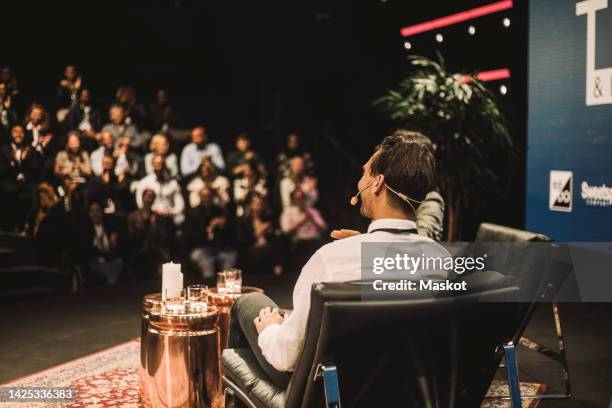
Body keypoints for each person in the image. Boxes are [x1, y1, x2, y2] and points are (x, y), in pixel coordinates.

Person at [227, 130, 451, 387]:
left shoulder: (330, 260)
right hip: (404, 388)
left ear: (377, 183)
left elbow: (286, 357)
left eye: (364, 172)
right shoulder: (441, 260)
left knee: (248, 303)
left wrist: (270, 328)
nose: (359, 182)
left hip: (331, 392)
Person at [183, 186, 237, 278]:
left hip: (220, 248)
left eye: (209, 196)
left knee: (231, 256)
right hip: (200, 248)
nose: (206, 199)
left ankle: (227, 285)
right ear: (200, 197)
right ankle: (209, 286)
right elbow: (189, 237)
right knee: (205, 261)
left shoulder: (220, 211)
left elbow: (231, 235)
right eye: (204, 196)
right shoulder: (192, 213)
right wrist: (209, 228)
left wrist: (223, 227)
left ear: (213, 197)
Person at [0, 124, 43, 232]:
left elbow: (36, 170)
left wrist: (25, 160)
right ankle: (10, 226)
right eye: (16, 131)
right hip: (9, 180)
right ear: (11, 134)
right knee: (10, 190)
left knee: (35, 190)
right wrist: (14, 162)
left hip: (27, 181)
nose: (19, 134)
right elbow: (2, 171)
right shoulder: (3, 149)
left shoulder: (29, 149)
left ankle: (30, 226)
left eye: (21, 132)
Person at [127, 188, 173, 278]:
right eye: (147, 196)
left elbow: (163, 236)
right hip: (139, 251)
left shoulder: (158, 217)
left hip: (156, 250)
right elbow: (131, 237)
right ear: (142, 197)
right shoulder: (133, 216)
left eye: (151, 197)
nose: (149, 199)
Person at [235, 193, 283, 275]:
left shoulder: (266, 219)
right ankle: (278, 274)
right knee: (272, 249)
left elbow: (273, 238)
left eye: (260, 202)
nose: (258, 204)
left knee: (277, 244)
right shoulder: (243, 221)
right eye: (255, 202)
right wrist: (259, 233)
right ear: (250, 205)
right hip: (250, 251)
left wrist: (270, 232)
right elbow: (241, 242)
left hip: (266, 249)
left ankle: (278, 273)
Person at [280, 187, 327, 270]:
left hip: (314, 240)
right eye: (297, 198)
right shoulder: (288, 211)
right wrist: (300, 221)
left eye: (302, 197)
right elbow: (285, 230)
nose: (300, 200)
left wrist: (311, 217)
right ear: (293, 199)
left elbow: (324, 227)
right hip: (299, 242)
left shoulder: (312, 211)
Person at [79, 201, 123, 285]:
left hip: (109, 258)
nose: (95, 214)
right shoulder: (85, 230)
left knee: (118, 263)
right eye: (92, 211)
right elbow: (85, 250)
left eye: (97, 210)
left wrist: (114, 242)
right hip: (94, 261)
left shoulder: (109, 226)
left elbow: (116, 247)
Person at [136, 154, 185, 225]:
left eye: (161, 164)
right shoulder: (144, 183)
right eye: (157, 164)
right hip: (151, 218)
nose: (159, 167)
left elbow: (180, 205)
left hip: (170, 217)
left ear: (165, 165)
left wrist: (170, 212)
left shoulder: (173, 183)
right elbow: (140, 203)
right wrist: (154, 211)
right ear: (152, 165)